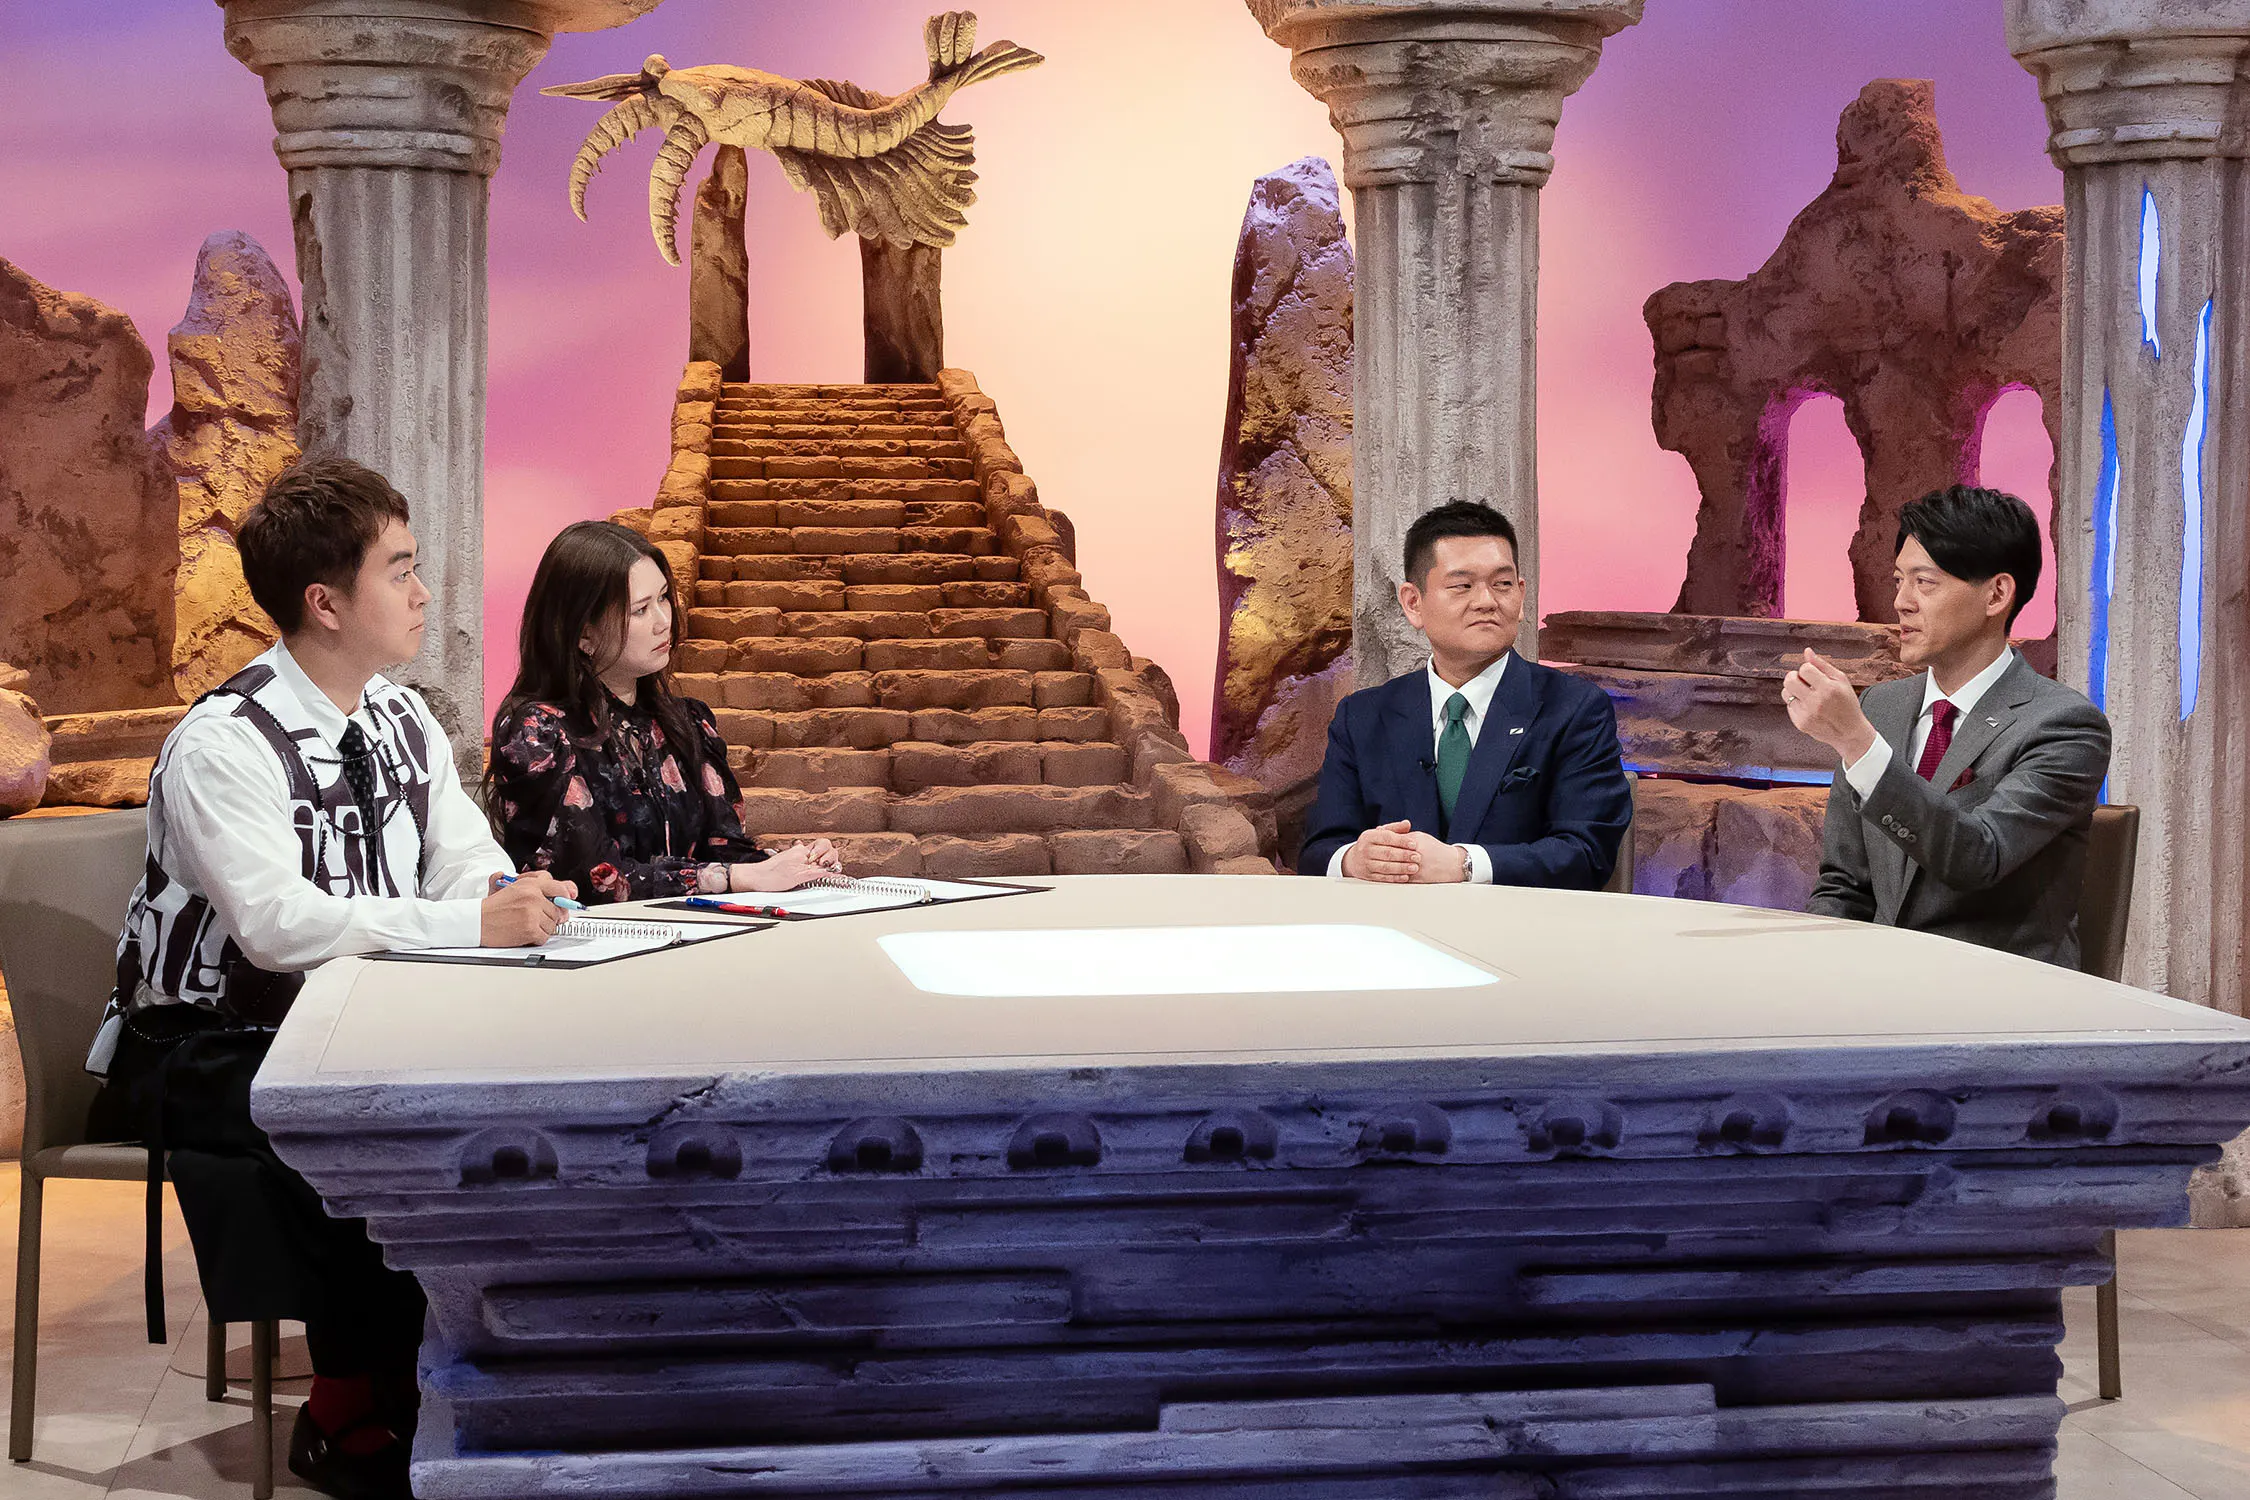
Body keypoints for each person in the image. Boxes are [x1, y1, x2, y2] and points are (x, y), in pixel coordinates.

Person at [85, 457, 576, 1500]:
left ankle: (479, 1372)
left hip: (360, 1014)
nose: (424, 591)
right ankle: (347, 1406)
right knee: (373, 1125)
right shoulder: (223, 743)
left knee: (508, 1104)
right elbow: (278, 927)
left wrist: (503, 893)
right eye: (400, 569)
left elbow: (459, 853)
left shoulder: (398, 717)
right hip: (202, 1044)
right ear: (325, 602)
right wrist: (468, 924)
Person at [1789, 484, 2111, 968]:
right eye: (1899, 580)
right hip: (1877, 986)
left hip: (1999, 991)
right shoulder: (1882, 706)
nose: (1901, 602)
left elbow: (1979, 856)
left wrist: (1857, 743)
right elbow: (1844, 885)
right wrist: (1814, 973)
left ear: (1996, 594)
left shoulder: (2065, 725)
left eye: (1925, 582)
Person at [487, 520, 841, 902]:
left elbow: (724, 850)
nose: (664, 621)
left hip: (699, 930)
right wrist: (736, 877)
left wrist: (792, 864)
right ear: (584, 633)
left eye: (664, 598)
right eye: (641, 609)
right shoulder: (537, 732)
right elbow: (590, 878)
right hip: (594, 936)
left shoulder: (687, 722)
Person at [1299, 500, 1632, 887]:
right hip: (1390, 921)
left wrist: (1464, 864)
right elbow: (1319, 851)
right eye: (1462, 585)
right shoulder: (1362, 716)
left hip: (1520, 924)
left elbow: (1587, 853)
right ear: (1413, 602)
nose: (1487, 601)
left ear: (1521, 596)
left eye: (1502, 584)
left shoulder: (1575, 709)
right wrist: (1356, 859)